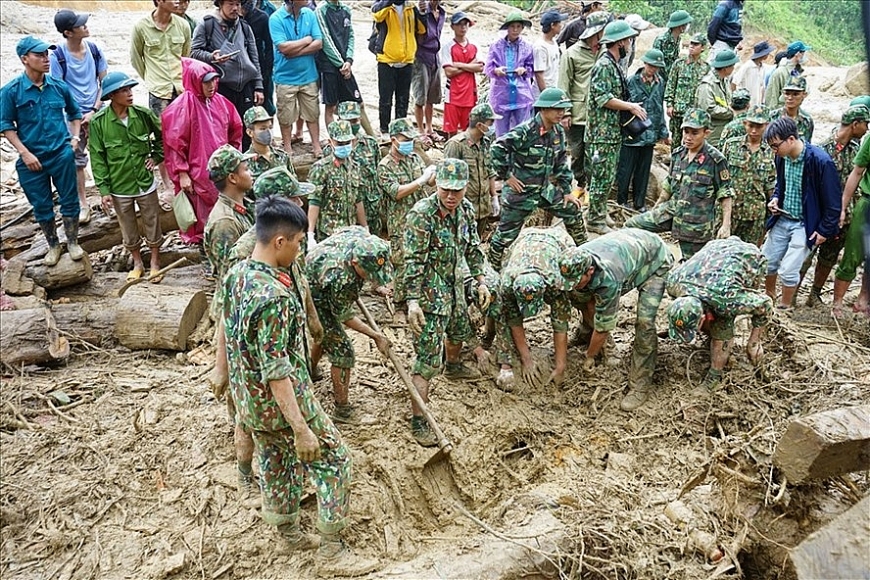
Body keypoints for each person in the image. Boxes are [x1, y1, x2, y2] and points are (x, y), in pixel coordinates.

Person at [222, 195, 378, 575]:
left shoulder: (236, 276)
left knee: (276, 462)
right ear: (280, 241)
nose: (298, 251)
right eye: (297, 243)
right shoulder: (275, 297)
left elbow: (225, 334)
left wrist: (225, 380)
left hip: (249, 403)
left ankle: (288, 532)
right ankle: (332, 551)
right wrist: (302, 428)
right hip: (282, 401)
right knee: (335, 462)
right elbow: (278, 372)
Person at [403, 159, 490, 445]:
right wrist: (413, 301)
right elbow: (413, 261)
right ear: (436, 185)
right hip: (429, 294)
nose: (451, 196)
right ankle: (419, 420)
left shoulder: (465, 209)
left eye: (458, 190)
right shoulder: (422, 215)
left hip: (454, 284)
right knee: (427, 360)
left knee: (458, 329)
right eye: (445, 190)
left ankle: (453, 365)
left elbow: (473, 248)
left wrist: (480, 280)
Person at [561, 229, 673, 410]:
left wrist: (590, 357)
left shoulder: (608, 279)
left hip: (654, 261)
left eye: (576, 280)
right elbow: (581, 294)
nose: (571, 284)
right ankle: (587, 333)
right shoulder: (577, 259)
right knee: (576, 295)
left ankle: (640, 383)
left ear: (590, 271)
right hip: (630, 249)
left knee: (644, 322)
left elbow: (604, 325)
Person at [1, 36, 83, 266]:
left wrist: (74, 139)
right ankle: (53, 245)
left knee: (70, 200)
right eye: (40, 55)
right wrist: (24, 153)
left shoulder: (58, 86)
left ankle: (73, 242)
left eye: (47, 54)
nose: (46, 59)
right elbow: (6, 126)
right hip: (31, 159)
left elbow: (75, 114)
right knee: (42, 206)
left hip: (61, 154)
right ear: (24, 59)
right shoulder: (11, 91)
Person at [488, 88, 586, 270]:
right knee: (504, 236)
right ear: (543, 109)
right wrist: (507, 176)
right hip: (521, 193)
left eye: (563, 109)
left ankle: (585, 255)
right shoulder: (525, 132)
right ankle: (491, 271)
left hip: (544, 190)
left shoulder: (558, 132)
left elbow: (561, 163)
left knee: (572, 209)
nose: (561, 113)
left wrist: (566, 191)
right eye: (557, 109)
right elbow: (497, 148)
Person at [307, 227, 393, 422]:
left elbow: (346, 229)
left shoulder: (363, 238)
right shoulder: (341, 277)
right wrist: (376, 336)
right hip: (313, 296)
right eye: (369, 273)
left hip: (321, 276)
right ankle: (342, 410)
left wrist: (376, 283)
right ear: (355, 262)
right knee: (342, 351)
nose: (372, 277)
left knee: (328, 336)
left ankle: (309, 370)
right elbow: (344, 316)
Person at [666, 236, 772, 393]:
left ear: (703, 318)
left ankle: (714, 378)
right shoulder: (674, 283)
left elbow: (765, 304)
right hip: (715, 250)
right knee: (717, 311)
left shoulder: (726, 301)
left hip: (749, 258)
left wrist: (754, 342)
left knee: (723, 323)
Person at [625, 109, 733, 260]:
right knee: (631, 225)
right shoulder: (678, 155)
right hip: (672, 211)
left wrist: (725, 225)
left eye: (694, 133)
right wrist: (657, 207)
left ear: (706, 133)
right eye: (686, 132)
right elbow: (669, 184)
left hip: (696, 224)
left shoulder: (715, 160)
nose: (688, 137)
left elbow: (725, 192)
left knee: (691, 266)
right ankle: (645, 262)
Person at [89, 72, 164, 281]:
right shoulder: (99, 123)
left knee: (152, 220)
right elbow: (97, 157)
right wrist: (103, 190)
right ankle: (137, 262)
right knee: (127, 225)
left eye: (130, 89)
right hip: (119, 184)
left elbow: (162, 136)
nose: (130, 94)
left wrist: (156, 157)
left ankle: (155, 262)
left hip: (144, 181)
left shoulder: (142, 114)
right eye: (124, 91)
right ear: (112, 95)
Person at [162, 58, 243, 247]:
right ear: (195, 81)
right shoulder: (182, 107)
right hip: (196, 168)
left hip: (219, 165)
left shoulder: (221, 102)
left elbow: (235, 128)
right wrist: (182, 172)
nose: (212, 85)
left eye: (214, 80)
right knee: (198, 205)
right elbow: (174, 144)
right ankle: (202, 239)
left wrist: (233, 155)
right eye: (206, 81)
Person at [762, 116, 841, 309]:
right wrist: (775, 198)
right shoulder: (782, 158)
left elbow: (833, 203)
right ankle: (768, 298)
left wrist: (823, 230)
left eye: (775, 145)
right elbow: (782, 184)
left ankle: (785, 308)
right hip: (783, 217)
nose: (774, 150)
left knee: (789, 269)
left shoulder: (820, 161)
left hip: (805, 223)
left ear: (790, 139)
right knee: (767, 261)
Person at [798, 105, 869, 307]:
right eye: (865, 123)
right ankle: (792, 294)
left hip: (843, 215)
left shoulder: (856, 150)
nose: (867, 128)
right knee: (806, 254)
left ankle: (814, 294)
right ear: (855, 124)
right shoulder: (822, 149)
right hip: (820, 214)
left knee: (829, 257)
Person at [585, 19, 646, 234]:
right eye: (628, 39)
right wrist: (630, 107)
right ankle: (594, 219)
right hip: (601, 133)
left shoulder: (614, 63)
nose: (630, 42)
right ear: (619, 42)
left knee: (608, 176)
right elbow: (603, 98)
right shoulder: (603, 66)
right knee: (601, 177)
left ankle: (600, 213)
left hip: (610, 132)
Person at [50, 9, 108, 225]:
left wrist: (94, 110)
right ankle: (83, 204)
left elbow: (105, 82)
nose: (85, 26)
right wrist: (77, 116)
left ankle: (113, 196)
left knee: (108, 152)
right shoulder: (57, 56)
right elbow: (58, 90)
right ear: (68, 32)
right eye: (79, 24)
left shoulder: (94, 50)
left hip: (97, 110)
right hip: (72, 116)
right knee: (77, 160)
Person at [498, 227, 575, 390]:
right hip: (523, 239)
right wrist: (526, 360)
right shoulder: (507, 284)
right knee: (501, 310)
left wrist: (560, 366)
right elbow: (514, 320)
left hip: (558, 240)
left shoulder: (555, 282)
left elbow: (560, 322)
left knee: (579, 288)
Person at [131, 0, 191, 196]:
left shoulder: (182, 25)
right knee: (162, 137)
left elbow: (186, 56)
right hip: (159, 92)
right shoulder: (141, 27)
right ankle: (167, 182)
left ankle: (185, 173)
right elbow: (135, 59)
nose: (177, 1)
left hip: (180, 89)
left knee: (184, 133)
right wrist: (152, 80)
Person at [191, 0, 264, 151]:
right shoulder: (207, 25)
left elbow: (254, 57)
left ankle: (244, 163)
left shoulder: (244, 27)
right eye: (230, 4)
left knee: (246, 126)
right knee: (222, 127)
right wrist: (212, 57)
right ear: (220, 5)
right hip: (221, 86)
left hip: (245, 86)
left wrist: (258, 86)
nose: (235, 8)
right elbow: (194, 52)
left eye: (237, 4)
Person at [378, 118, 435, 310]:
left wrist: (432, 175)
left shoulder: (414, 158)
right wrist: (421, 180)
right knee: (402, 262)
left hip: (421, 218)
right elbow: (396, 192)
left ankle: (419, 297)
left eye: (411, 139)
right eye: (404, 139)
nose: (409, 143)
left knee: (423, 256)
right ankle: (401, 303)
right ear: (393, 140)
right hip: (400, 221)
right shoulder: (385, 166)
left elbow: (429, 184)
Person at [558, 11, 610, 197]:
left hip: (600, 114)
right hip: (578, 113)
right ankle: (580, 183)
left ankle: (592, 187)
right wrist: (565, 113)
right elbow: (564, 84)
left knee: (595, 153)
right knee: (578, 152)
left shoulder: (606, 52)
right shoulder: (572, 54)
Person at [615, 49, 669, 212]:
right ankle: (621, 201)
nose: (653, 69)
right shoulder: (631, 81)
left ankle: (640, 203)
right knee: (625, 169)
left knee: (643, 170)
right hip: (632, 132)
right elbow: (623, 106)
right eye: (651, 65)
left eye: (656, 67)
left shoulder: (660, 83)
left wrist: (663, 133)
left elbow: (660, 108)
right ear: (645, 63)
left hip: (650, 132)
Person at [270, 0, 323, 157]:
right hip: (285, 77)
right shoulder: (276, 18)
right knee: (285, 116)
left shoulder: (310, 14)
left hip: (309, 76)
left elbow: (319, 43)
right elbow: (283, 47)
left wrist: (294, 52)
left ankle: (316, 145)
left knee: (313, 113)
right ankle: (287, 147)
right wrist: (307, 41)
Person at [831, 111, 870, 316]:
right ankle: (837, 303)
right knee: (853, 253)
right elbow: (857, 171)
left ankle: (863, 300)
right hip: (867, 204)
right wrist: (843, 207)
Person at [719, 104, 776, 246]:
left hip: (755, 217)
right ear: (744, 123)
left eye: (759, 126)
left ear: (766, 125)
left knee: (749, 257)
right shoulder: (730, 146)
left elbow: (772, 186)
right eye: (751, 125)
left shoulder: (771, 152)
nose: (754, 130)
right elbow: (720, 179)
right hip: (730, 212)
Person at [443, 103, 500, 238]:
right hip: (463, 209)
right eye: (490, 122)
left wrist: (494, 197)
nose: (493, 126)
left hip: (483, 208)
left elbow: (490, 171)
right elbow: (447, 179)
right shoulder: (456, 145)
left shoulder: (485, 143)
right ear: (480, 125)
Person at [316, 0, 372, 134]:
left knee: (358, 103)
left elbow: (351, 35)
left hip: (346, 65)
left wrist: (349, 60)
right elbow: (325, 40)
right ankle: (336, 140)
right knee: (331, 106)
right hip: (329, 65)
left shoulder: (346, 9)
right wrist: (341, 64)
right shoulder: (321, 10)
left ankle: (373, 138)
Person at [204, 145, 256, 288]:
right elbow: (229, 274)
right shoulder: (224, 223)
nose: (251, 173)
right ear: (232, 178)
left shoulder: (245, 205)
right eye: (246, 169)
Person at [307, 120, 367, 243]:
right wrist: (310, 234)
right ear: (330, 142)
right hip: (329, 234)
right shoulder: (321, 168)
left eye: (347, 142)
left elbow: (358, 200)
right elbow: (314, 202)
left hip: (351, 232)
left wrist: (365, 227)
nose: (344, 146)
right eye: (340, 143)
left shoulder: (355, 167)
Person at [371, 0, 424, 135]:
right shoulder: (384, 5)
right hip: (387, 60)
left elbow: (422, 29)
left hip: (407, 60)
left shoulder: (411, 7)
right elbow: (377, 15)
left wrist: (423, 13)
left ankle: (400, 130)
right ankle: (384, 130)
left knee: (403, 98)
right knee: (385, 98)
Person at [485, 11, 536, 137]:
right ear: (507, 28)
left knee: (522, 130)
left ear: (522, 28)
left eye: (518, 27)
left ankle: (518, 155)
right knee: (501, 130)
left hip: (521, 94)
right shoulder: (496, 46)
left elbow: (531, 67)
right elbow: (488, 68)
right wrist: (496, 71)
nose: (515, 30)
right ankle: (502, 153)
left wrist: (524, 70)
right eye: (512, 26)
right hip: (501, 93)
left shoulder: (527, 47)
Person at [440, 11, 483, 137]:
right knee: (451, 129)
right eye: (459, 24)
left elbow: (480, 67)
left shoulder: (474, 46)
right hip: (452, 93)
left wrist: (459, 64)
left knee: (468, 128)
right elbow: (449, 72)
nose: (463, 27)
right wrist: (470, 65)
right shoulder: (448, 47)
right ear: (452, 26)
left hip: (469, 92)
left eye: (465, 24)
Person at [664, 33, 709, 152]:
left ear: (702, 47)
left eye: (696, 44)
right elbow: (671, 85)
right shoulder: (679, 64)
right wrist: (669, 104)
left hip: (695, 113)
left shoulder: (706, 67)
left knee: (693, 143)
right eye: (691, 44)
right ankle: (674, 166)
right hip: (678, 111)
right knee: (676, 142)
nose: (692, 46)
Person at [412, 0, 445, 144]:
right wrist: (422, 14)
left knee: (432, 97)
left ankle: (430, 128)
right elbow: (418, 35)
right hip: (421, 56)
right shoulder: (421, 11)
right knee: (420, 96)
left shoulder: (442, 13)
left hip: (435, 56)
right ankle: (420, 130)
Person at [695, 48, 738, 147]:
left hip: (722, 132)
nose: (733, 68)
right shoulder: (707, 85)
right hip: (712, 134)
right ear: (725, 68)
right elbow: (708, 109)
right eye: (732, 66)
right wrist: (731, 112)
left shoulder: (725, 81)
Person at [240, 0, 276, 117]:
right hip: (239, 71)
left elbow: (270, 47)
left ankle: (267, 132)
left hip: (260, 68)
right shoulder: (226, 19)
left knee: (266, 106)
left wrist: (267, 72)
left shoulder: (262, 17)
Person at [243, 105, 296, 183]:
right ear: (250, 132)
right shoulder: (245, 163)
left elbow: (294, 185)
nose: (268, 132)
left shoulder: (282, 156)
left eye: (270, 127)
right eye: (263, 128)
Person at [766, 41, 810, 109]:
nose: (804, 56)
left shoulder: (797, 71)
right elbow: (772, 98)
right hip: (781, 114)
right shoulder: (779, 72)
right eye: (803, 53)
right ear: (797, 54)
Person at [652, 10, 692, 85]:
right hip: (660, 82)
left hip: (671, 81)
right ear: (681, 26)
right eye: (686, 24)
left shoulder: (678, 39)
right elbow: (654, 63)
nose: (687, 26)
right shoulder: (661, 40)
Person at [770, 76, 814, 143]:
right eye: (787, 94)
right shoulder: (773, 116)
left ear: (804, 95)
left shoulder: (806, 120)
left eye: (795, 94)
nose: (790, 98)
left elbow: (807, 146)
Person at [533, 10, 566, 96]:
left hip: (553, 89)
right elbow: (539, 74)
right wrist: (546, 96)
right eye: (559, 23)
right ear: (552, 25)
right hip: (543, 95)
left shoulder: (554, 42)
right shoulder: (540, 47)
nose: (561, 25)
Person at [732, 40, 774, 107]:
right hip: (746, 104)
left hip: (756, 105)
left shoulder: (762, 68)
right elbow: (734, 82)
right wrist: (736, 100)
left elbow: (762, 87)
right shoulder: (748, 66)